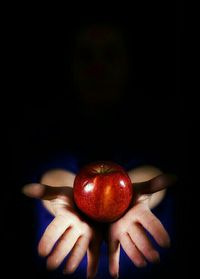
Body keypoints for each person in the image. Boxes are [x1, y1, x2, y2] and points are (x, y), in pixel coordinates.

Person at [22, 20, 177, 278]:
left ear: (128, 63)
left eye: (110, 54)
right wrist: (63, 190)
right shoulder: (45, 127)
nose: (98, 68)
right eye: (86, 56)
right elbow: (53, 169)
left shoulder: (156, 124)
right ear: (69, 65)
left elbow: (150, 171)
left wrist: (140, 191)